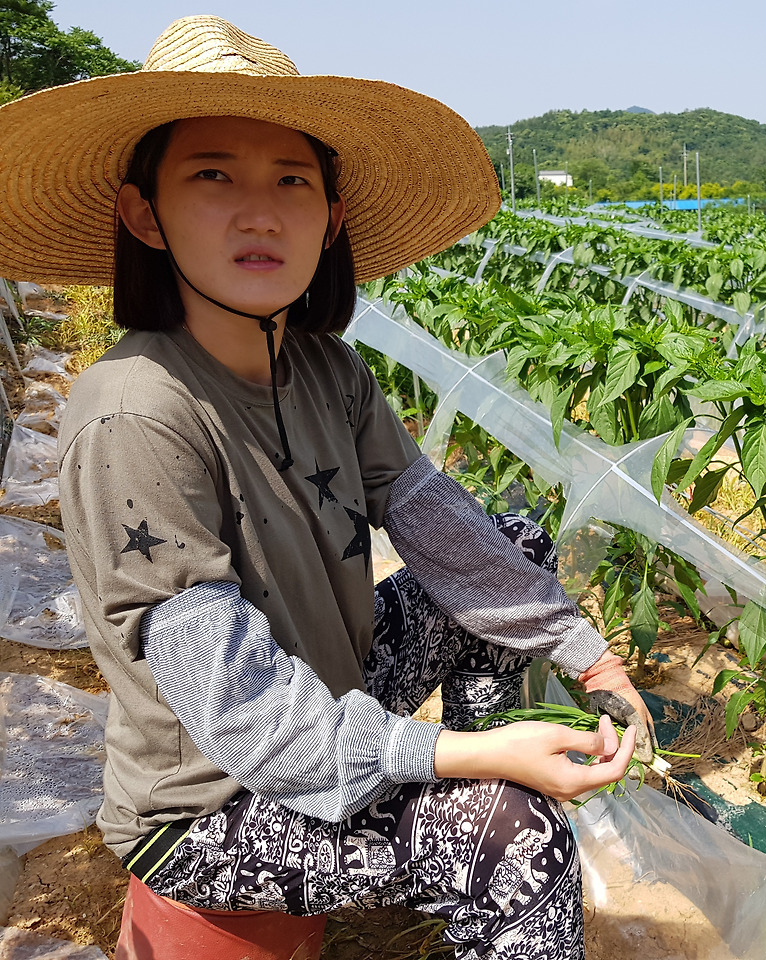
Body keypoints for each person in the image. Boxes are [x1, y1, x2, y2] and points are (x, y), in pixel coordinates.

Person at [0, 15, 654, 960]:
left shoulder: (325, 370)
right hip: (212, 799)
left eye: (291, 181)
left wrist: (589, 657)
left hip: (329, 689)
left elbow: (440, 525)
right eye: (213, 175)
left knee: (513, 546)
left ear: (331, 220)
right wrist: (461, 761)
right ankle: (476, 840)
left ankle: (457, 850)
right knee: (514, 842)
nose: (259, 211)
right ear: (144, 215)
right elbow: (238, 709)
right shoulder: (135, 411)